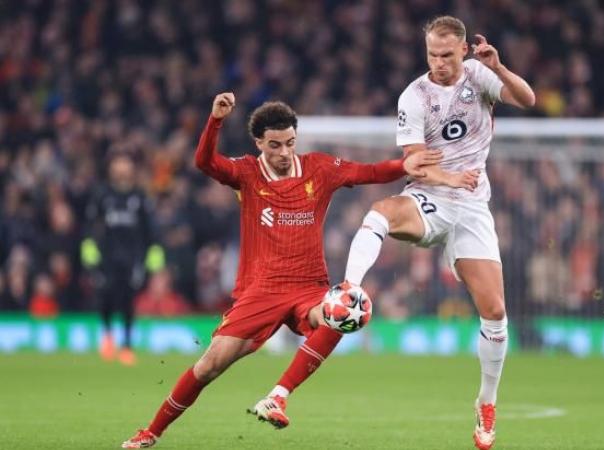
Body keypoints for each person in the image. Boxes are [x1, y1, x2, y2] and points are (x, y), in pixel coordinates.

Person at [121, 92, 446, 448]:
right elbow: (205, 162)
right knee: (209, 366)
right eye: (274, 145)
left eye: (290, 143)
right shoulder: (246, 173)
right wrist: (215, 120)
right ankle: (151, 432)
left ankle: (277, 396)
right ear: (259, 142)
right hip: (261, 290)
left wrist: (404, 166)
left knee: (346, 311)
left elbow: (368, 172)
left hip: (309, 288)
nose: (283, 152)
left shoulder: (319, 168)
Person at [338, 16, 535, 450]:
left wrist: (499, 68)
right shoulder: (414, 96)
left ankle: (486, 403)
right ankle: (349, 288)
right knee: (380, 212)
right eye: (432, 54)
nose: (440, 63)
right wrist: (447, 179)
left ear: (463, 50)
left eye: (447, 54)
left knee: (496, 312)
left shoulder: (481, 77)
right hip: (430, 196)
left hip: (471, 207)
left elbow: (528, 98)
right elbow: (414, 161)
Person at [82, 154, 164, 365]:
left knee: (128, 301)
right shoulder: (103, 195)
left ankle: (127, 346)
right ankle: (108, 336)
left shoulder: (139, 196)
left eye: (125, 165)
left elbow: (151, 229)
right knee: (105, 296)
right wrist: (89, 249)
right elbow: (91, 225)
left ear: (131, 169)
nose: (121, 169)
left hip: (133, 258)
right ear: (112, 169)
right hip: (107, 256)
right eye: (118, 164)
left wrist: (154, 255)